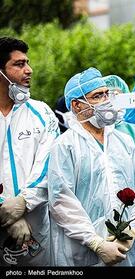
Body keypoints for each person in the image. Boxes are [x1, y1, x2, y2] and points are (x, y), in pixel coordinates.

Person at [47, 67, 135, 266]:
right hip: (81, 252)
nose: (106, 101)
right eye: (97, 96)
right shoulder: (65, 145)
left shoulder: (124, 142)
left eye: (106, 94)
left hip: (124, 249)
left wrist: (132, 230)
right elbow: (61, 201)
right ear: (76, 105)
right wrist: (96, 243)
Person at [0, 37, 59, 266]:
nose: (29, 70)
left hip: (36, 235)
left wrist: (24, 201)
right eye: (19, 64)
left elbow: (50, 163)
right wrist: (5, 212)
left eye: (28, 63)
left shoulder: (42, 113)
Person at [103, 74, 135, 266]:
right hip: (102, 210)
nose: (112, 100)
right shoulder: (93, 133)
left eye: (117, 95)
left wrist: (131, 190)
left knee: (134, 254)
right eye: (107, 95)